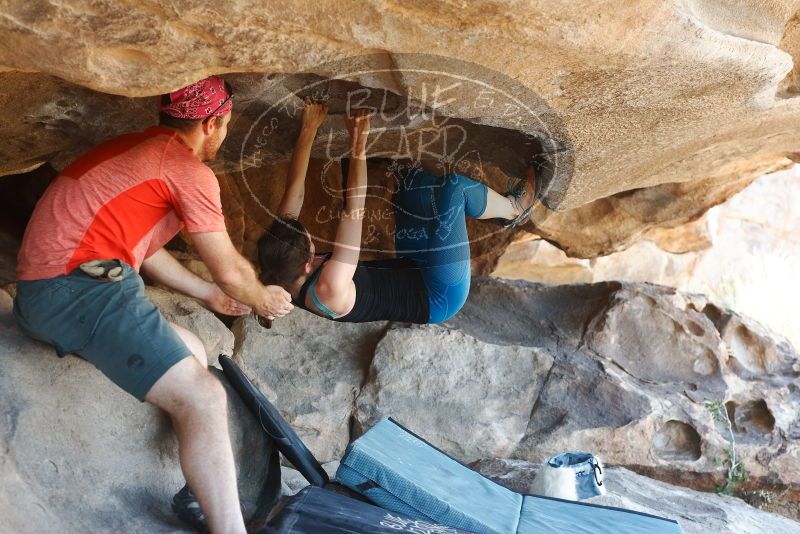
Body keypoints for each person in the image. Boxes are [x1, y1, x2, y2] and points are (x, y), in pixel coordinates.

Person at [13, 76, 293, 534]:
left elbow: (143, 248)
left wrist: (205, 295)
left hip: (52, 292)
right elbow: (231, 270)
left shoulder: (136, 152)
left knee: (194, 352)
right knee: (203, 396)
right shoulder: (187, 169)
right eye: (225, 125)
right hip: (77, 290)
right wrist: (263, 297)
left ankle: (201, 484)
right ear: (213, 122)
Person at [257, 100, 540, 324]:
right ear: (308, 265)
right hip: (439, 295)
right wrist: (359, 140)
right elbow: (353, 208)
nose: (314, 246)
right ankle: (515, 209)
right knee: (455, 189)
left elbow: (295, 193)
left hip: (412, 261)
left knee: (412, 180)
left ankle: (488, 209)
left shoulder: (279, 258)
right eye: (311, 245)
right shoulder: (328, 289)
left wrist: (309, 128)